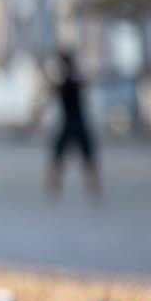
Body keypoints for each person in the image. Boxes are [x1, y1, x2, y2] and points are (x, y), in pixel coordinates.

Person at [47, 50, 99, 198]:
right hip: (79, 124)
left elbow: (51, 94)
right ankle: (94, 189)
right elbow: (86, 82)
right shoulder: (73, 82)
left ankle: (53, 189)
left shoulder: (65, 83)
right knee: (87, 159)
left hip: (70, 125)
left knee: (59, 158)